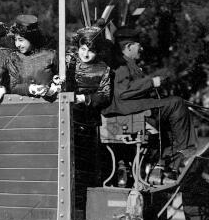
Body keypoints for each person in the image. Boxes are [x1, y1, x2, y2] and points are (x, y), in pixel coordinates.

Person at [102, 27, 198, 171]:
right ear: (128, 47)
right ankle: (183, 153)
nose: (141, 48)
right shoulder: (120, 64)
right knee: (176, 104)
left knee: (173, 106)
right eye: (138, 45)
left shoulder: (128, 63)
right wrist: (151, 83)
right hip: (126, 110)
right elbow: (123, 92)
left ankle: (167, 160)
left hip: (133, 107)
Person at [66, 21, 112, 120]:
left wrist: (84, 98)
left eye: (91, 51)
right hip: (67, 112)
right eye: (83, 49)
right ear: (78, 48)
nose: (86, 54)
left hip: (90, 116)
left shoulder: (104, 68)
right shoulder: (69, 62)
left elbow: (105, 95)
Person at [9, 15, 59, 98]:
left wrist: (55, 87)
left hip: (50, 107)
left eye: (21, 40)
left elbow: (62, 78)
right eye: (15, 39)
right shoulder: (14, 58)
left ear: (32, 38)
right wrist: (30, 88)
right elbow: (12, 86)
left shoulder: (51, 56)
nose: (17, 44)